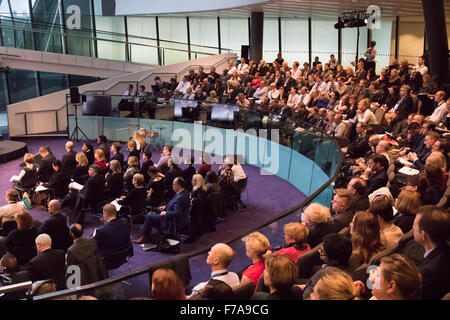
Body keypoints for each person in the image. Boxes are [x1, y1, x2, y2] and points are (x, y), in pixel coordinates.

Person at [134, 177, 190, 244]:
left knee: (149, 216)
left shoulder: (180, 198)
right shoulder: (185, 192)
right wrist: (166, 207)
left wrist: (166, 212)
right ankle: (158, 230)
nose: (172, 186)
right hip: (182, 219)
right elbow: (176, 205)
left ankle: (145, 237)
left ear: (178, 185)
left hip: (172, 220)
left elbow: (177, 213)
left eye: (173, 184)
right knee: (156, 210)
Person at [413, 206, 450, 300]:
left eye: (415, 225)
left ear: (424, 235)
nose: (412, 227)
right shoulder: (445, 249)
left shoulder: (428, 272)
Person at [302, 234, 354, 299]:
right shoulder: (350, 261)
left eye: (322, 251)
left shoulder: (323, 275)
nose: (319, 251)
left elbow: (306, 296)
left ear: (334, 260)